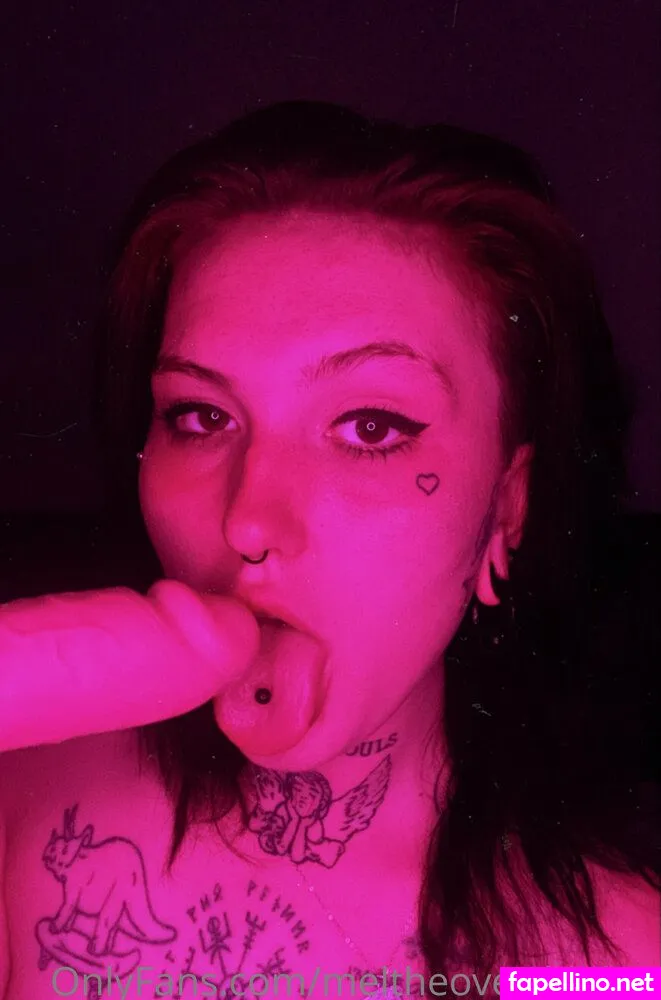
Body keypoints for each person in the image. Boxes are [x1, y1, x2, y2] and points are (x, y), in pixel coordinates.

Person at [0, 100, 659, 999]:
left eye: (370, 427)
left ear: (507, 505)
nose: (247, 522)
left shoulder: (613, 962)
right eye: (200, 417)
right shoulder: (24, 799)